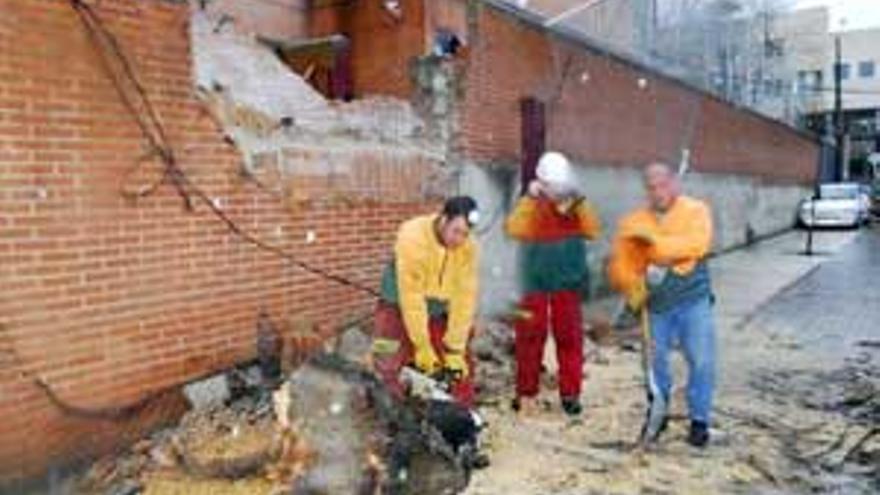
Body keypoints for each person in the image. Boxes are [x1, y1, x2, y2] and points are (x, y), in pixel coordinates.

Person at [608, 162, 716, 447]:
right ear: (647, 190)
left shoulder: (696, 211)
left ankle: (699, 420)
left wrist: (654, 249)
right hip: (655, 307)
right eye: (652, 187)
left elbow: (698, 244)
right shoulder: (633, 223)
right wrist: (635, 286)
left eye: (663, 184)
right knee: (655, 365)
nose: (658, 192)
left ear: (675, 183)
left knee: (701, 360)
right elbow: (621, 266)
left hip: (694, 299)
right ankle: (659, 411)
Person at [505, 151, 602, 417]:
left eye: (560, 186)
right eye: (552, 186)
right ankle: (526, 393)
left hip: (566, 284)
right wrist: (529, 198)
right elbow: (513, 229)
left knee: (569, 338)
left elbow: (593, 230)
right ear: (542, 182)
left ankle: (570, 394)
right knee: (529, 338)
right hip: (533, 283)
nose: (556, 193)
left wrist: (578, 201)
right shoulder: (531, 204)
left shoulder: (576, 205)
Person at [372, 196, 480, 407]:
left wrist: (455, 349)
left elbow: (465, 299)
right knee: (387, 353)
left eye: (466, 234)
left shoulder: (469, 248)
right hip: (397, 298)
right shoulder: (412, 236)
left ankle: (459, 415)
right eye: (456, 231)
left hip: (438, 305)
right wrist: (422, 345)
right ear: (443, 219)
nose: (459, 239)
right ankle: (388, 406)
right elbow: (411, 298)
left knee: (459, 368)